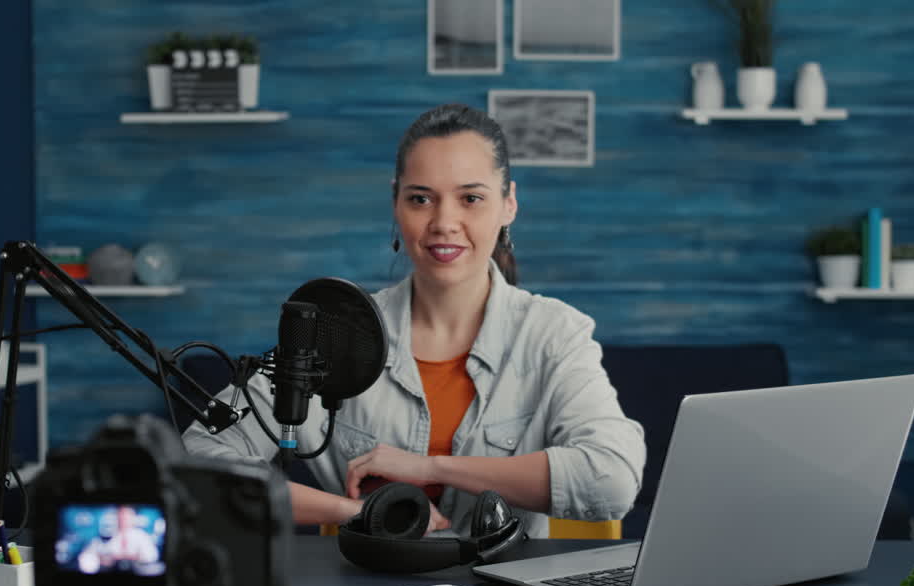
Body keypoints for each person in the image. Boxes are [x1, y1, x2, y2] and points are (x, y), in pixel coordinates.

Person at [183, 103, 645, 539]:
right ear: (396, 203)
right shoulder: (334, 330)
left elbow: (613, 481)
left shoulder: (555, 335)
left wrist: (434, 468)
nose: (444, 221)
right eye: (421, 198)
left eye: (471, 198)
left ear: (508, 205)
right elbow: (196, 464)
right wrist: (352, 511)